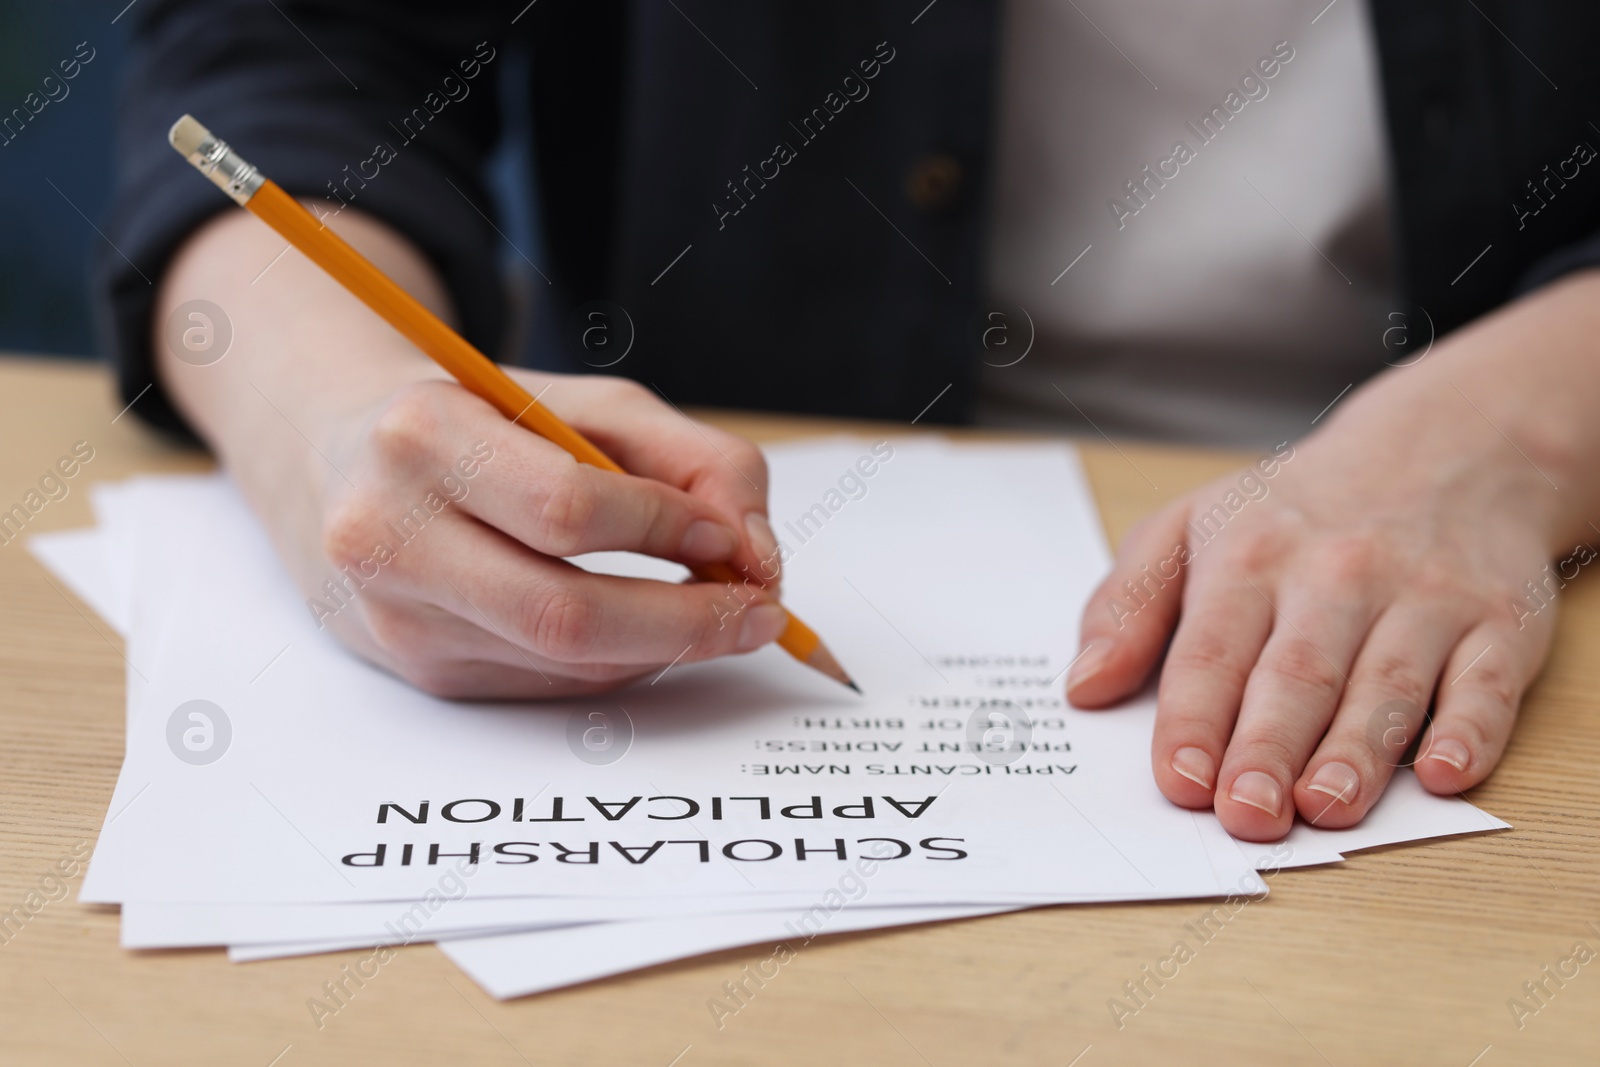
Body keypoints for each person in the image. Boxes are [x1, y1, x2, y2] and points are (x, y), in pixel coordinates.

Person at [97, 1, 1600, 842]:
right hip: (695, 431)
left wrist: (1511, 432)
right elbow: (284, 58)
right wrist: (332, 412)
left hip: (1492, 516)